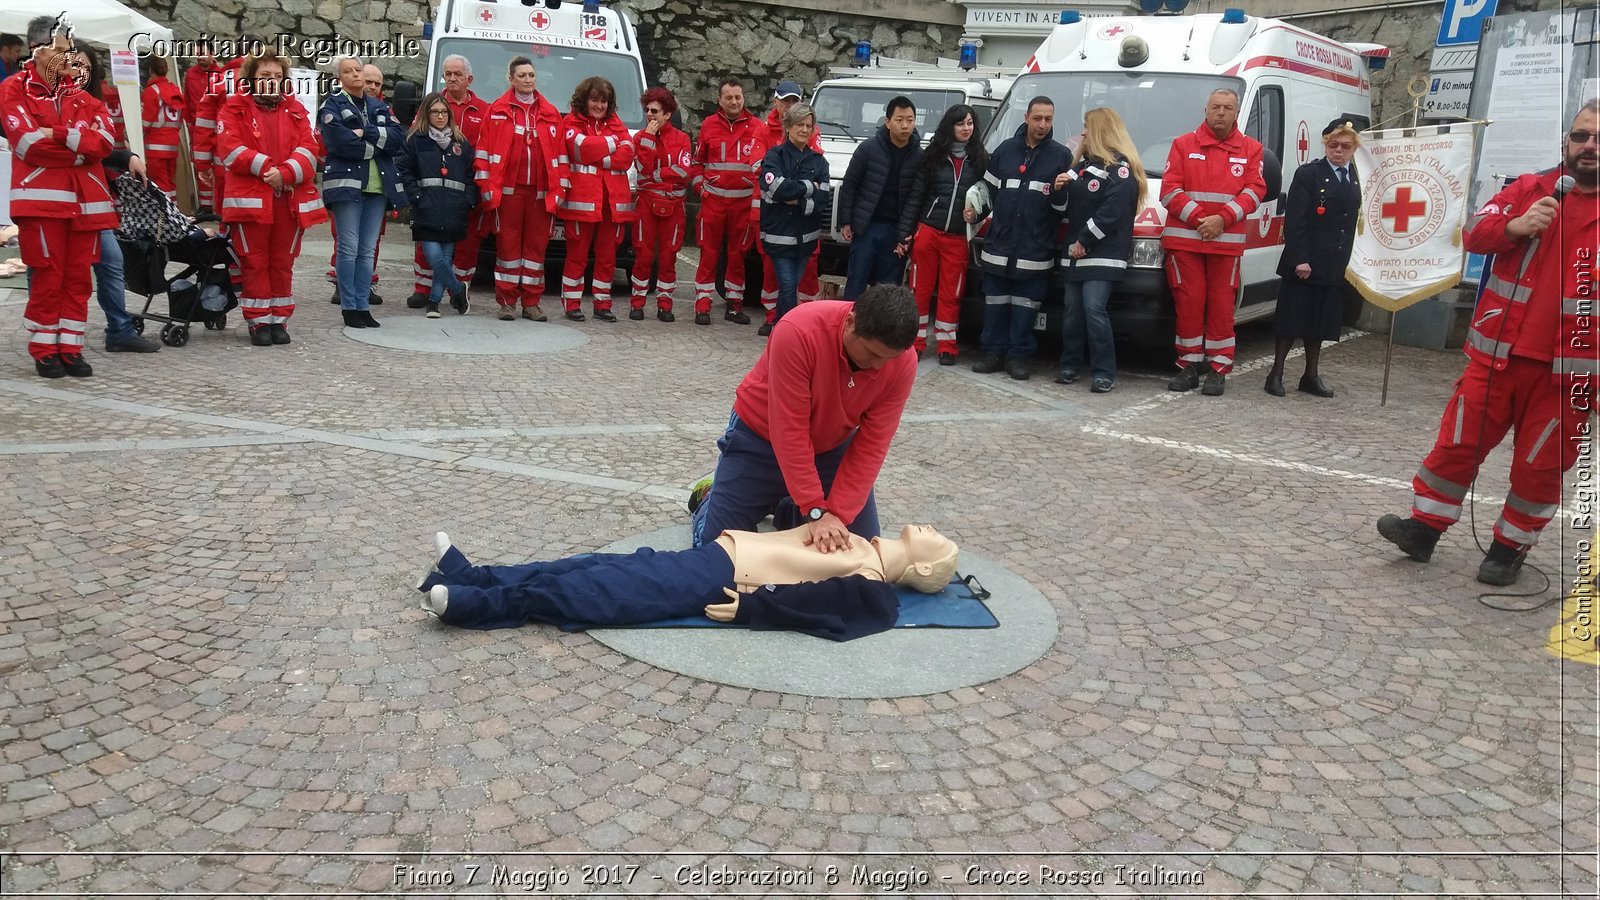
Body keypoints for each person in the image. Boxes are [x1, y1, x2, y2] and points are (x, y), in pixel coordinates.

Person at [1377, 100, 1600, 587]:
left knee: (1539, 468)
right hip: (1496, 356)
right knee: (1455, 445)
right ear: (1566, 142)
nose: (1589, 146)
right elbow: (1474, 232)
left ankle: (1508, 550)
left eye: (1598, 140)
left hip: (1570, 376)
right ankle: (1423, 529)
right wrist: (1517, 226)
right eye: (1581, 136)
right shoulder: (1530, 189)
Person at [416, 523, 959, 640]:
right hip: (717, 554)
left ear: (925, 569)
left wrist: (755, 610)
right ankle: (478, 576)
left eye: (942, 543)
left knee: (599, 590)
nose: (935, 531)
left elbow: (833, 614)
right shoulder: (861, 538)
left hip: (723, 576)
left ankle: (472, 605)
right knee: (589, 566)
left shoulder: (873, 585)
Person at [689, 284, 919, 551]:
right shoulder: (798, 331)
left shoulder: (902, 361)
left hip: (830, 447)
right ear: (851, 322)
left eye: (888, 359)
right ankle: (711, 496)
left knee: (859, 550)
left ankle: (784, 504)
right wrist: (815, 511)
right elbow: (789, 431)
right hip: (760, 439)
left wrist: (838, 515)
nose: (879, 366)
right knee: (716, 550)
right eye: (872, 354)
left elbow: (873, 444)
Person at [3, 16, 120, 378]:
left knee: (79, 279)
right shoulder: (12, 90)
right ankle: (44, 348)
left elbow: (104, 143)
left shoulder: (84, 98)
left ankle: (70, 346)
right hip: (42, 202)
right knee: (48, 275)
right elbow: (26, 144)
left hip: (86, 203)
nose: (68, 58)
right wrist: (78, 147)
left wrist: (55, 133)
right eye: (60, 50)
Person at [1160, 88, 1266, 397]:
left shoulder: (1252, 149)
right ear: (1206, 110)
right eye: (1216, 107)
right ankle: (1189, 365)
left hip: (1225, 243)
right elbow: (1169, 189)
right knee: (1189, 304)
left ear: (1236, 113)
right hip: (1186, 243)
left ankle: (1219, 368)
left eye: (1227, 108)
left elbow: (1255, 190)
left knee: (1222, 306)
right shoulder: (1182, 145)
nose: (1221, 112)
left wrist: (1221, 219)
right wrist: (1201, 221)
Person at [217, 50, 326, 345]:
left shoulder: (295, 109)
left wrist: (287, 173)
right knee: (254, 262)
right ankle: (258, 321)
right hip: (251, 201)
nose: (272, 81)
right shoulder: (234, 108)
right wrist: (269, 170)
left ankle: (279, 319)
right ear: (252, 78)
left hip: (286, 201)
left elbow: (309, 148)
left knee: (282, 262)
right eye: (265, 76)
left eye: (277, 77)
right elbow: (230, 148)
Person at [970, 96, 1071, 381]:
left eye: (1048, 119)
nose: (1042, 124)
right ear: (1026, 117)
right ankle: (992, 353)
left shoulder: (1061, 156)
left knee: (1026, 307)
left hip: (1034, 249)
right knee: (996, 303)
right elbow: (985, 192)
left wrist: (1060, 192)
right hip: (999, 246)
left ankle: (1018, 358)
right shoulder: (1005, 150)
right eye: (1037, 118)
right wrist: (973, 211)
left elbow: (1062, 209)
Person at [71, 49, 161, 355]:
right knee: (62, 273)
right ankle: (56, 340)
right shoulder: (48, 101)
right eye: (72, 63)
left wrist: (127, 156)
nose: (78, 69)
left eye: (84, 64)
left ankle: (119, 330)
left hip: (94, 202)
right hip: (59, 202)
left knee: (111, 263)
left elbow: (103, 146)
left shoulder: (94, 105)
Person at [1266, 119, 1362, 398]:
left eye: (1345, 146)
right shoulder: (1309, 174)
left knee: (1320, 323)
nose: (1339, 151)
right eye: (1333, 145)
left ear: (1354, 148)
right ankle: (1276, 373)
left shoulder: (1356, 177)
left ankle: (1310, 374)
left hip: (1333, 262)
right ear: (1325, 145)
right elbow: (1295, 219)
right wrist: (1300, 259)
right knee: (1290, 321)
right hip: (1305, 261)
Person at [1055, 107, 1146, 394]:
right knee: (1072, 311)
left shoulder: (1120, 170)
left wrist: (1084, 239)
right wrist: (1058, 189)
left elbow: (1112, 213)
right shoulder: (1081, 167)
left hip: (1102, 253)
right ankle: (1070, 364)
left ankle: (1104, 371)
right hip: (1076, 253)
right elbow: (1063, 208)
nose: (1082, 132)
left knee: (1094, 309)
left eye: (1086, 126)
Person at [319, 56, 407, 329]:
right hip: (346, 185)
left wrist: (365, 132)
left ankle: (362, 304)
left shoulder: (378, 105)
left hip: (377, 186)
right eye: (350, 71)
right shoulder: (332, 104)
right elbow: (339, 143)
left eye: (358, 69)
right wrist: (376, 144)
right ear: (340, 78)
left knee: (367, 250)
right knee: (348, 247)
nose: (356, 75)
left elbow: (397, 138)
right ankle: (349, 306)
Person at [476, 56, 566, 322]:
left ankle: (532, 303)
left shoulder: (549, 113)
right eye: (522, 76)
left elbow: (561, 158)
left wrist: (559, 191)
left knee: (536, 252)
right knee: (508, 249)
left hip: (540, 194)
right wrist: (485, 187)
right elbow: (483, 152)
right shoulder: (496, 111)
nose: (528, 80)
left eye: (531, 75)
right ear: (511, 79)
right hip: (508, 193)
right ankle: (507, 302)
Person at [897, 104, 987, 366]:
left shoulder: (981, 158)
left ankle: (947, 344)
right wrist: (905, 232)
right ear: (951, 126)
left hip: (958, 238)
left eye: (970, 123)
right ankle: (915, 342)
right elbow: (916, 197)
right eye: (961, 123)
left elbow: (988, 197)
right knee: (919, 290)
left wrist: (978, 215)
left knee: (952, 292)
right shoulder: (933, 156)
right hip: (928, 233)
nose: (966, 128)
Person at [406, 54, 489, 309]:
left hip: (463, 189)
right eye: (448, 74)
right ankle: (423, 288)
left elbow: (485, 150)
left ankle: (459, 290)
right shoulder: (431, 105)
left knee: (465, 244)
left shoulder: (484, 111)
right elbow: (414, 140)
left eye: (458, 74)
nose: (452, 79)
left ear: (469, 79)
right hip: (432, 188)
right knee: (427, 241)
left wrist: (474, 191)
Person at [558, 76, 636, 322]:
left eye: (604, 101)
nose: (599, 106)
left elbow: (627, 156)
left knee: (607, 258)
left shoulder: (616, 122)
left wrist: (598, 153)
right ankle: (571, 303)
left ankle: (602, 303)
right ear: (584, 100)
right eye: (595, 100)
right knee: (577, 256)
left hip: (610, 205)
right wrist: (613, 142)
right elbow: (579, 148)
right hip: (582, 204)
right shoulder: (571, 121)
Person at [753, 80, 825, 335]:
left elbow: (823, 198)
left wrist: (796, 196)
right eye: (799, 125)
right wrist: (808, 189)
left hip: (805, 236)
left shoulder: (818, 159)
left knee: (795, 282)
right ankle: (787, 328)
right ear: (788, 126)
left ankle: (783, 327)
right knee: (785, 283)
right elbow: (776, 187)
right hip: (778, 232)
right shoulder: (774, 154)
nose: (804, 130)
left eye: (808, 125)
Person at [691, 77, 763, 327]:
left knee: (737, 255)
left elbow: (762, 167)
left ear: (744, 98)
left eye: (738, 97)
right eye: (729, 97)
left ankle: (734, 304)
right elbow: (697, 162)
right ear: (719, 100)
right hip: (713, 202)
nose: (734, 101)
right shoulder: (709, 125)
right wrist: (700, 188)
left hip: (742, 204)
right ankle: (702, 304)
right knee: (708, 253)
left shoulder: (757, 127)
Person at [397, 92, 475, 318]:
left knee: (446, 257)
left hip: (453, 208)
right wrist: (416, 197)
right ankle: (458, 289)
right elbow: (405, 170)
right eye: (434, 112)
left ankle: (434, 303)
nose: (440, 116)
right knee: (434, 256)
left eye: (444, 112)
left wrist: (467, 201)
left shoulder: (461, 143)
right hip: (426, 207)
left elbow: (471, 175)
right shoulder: (415, 140)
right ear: (426, 114)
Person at [839, 96, 921, 300]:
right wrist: (846, 221)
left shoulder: (919, 156)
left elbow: (916, 199)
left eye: (910, 120)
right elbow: (850, 185)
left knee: (887, 289)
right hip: (867, 227)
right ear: (887, 121)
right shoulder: (868, 149)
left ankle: (880, 331)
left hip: (896, 230)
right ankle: (849, 326)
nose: (905, 125)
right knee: (856, 281)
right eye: (899, 120)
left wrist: (906, 235)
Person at [630, 86, 694, 322]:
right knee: (643, 255)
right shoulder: (640, 137)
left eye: (654, 111)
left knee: (668, 257)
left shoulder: (682, 139)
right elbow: (642, 169)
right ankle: (637, 302)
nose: (649, 114)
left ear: (667, 114)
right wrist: (648, 137)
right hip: (646, 204)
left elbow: (683, 171)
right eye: (647, 110)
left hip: (674, 205)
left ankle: (665, 304)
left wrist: (656, 176)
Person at [192, 34, 260, 213]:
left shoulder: (217, 81)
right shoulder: (272, 80)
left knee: (228, 213)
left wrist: (202, 163)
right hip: (263, 161)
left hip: (225, 160)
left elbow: (204, 126)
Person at [139, 55, 184, 202]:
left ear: (151, 71)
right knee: (170, 184)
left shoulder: (152, 91)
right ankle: (174, 213)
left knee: (160, 184)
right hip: (172, 145)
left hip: (155, 147)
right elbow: (180, 118)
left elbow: (146, 122)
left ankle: (164, 219)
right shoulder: (176, 90)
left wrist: (136, 137)